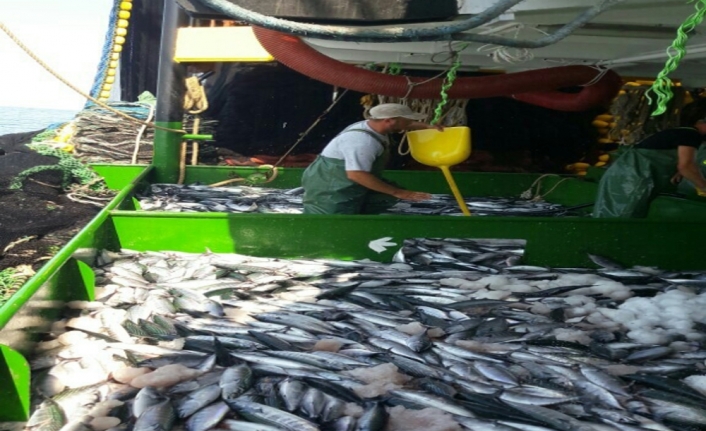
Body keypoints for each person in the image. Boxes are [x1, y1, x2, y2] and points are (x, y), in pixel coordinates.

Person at [302, 103, 439, 214]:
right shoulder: (363, 142)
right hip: (330, 185)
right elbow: (356, 175)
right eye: (407, 120)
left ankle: (359, 214)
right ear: (389, 121)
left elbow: (405, 125)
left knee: (383, 197)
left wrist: (427, 127)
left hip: (348, 177)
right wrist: (399, 193)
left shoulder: (374, 125)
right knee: (334, 220)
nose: (410, 123)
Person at [593, 102, 706, 218]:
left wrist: (680, 173)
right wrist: (703, 187)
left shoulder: (684, 133)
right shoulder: (690, 134)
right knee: (621, 218)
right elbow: (686, 166)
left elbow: (684, 164)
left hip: (629, 177)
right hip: (630, 180)